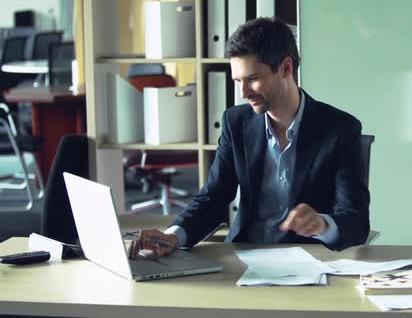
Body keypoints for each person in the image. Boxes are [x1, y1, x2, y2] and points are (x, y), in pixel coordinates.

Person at [129, 17, 369, 259]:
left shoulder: (339, 129)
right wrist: (174, 236)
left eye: (253, 79)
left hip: (310, 261)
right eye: (237, 81)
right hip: (244, 257)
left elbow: (356, 222)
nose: (243, 92)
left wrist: (322, 224)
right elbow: (214, 197)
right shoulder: (236, 122)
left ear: (286, 68)